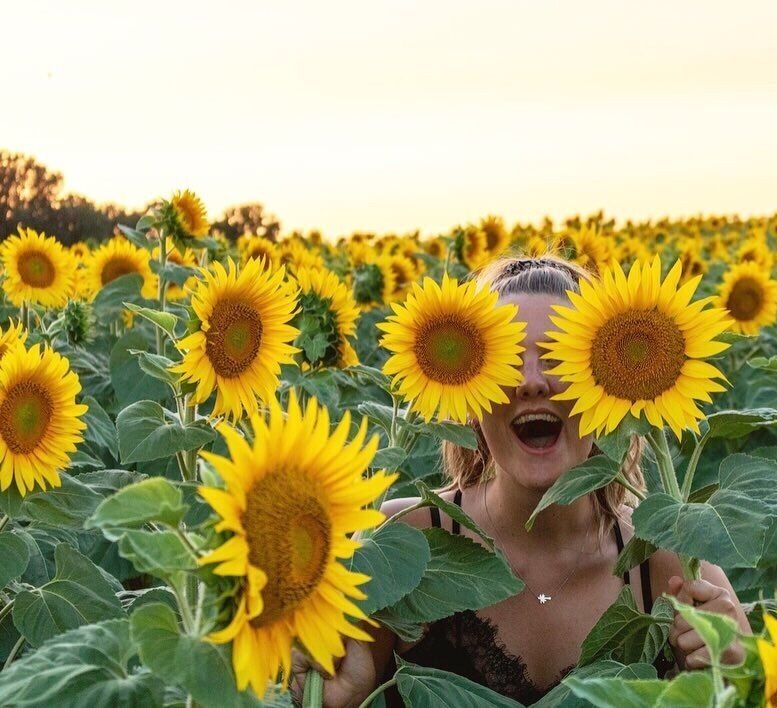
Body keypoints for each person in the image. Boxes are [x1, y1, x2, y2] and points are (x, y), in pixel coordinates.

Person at [291, 255, 750, 707]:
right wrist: (338, 701)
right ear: (468, 389)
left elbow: (747, 689)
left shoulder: (670, 569)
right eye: (508, 361)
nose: (531, 382)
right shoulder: (398, 544)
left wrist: (733, 681)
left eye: (557, 357)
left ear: (609, 379)